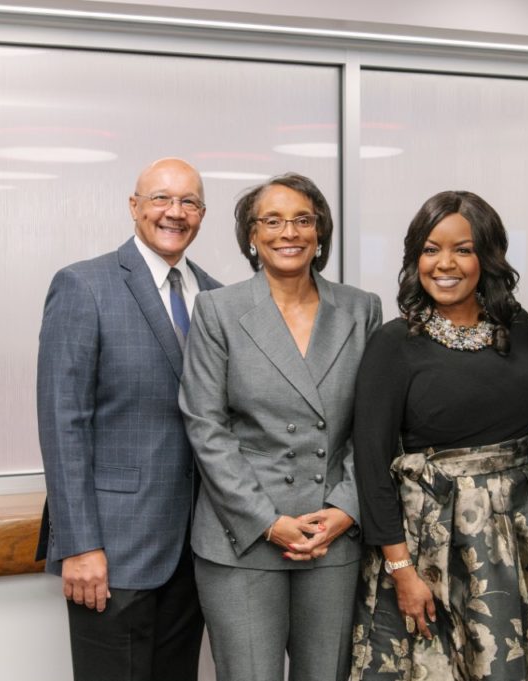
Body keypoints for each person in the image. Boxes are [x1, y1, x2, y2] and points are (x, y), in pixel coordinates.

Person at [350, 190, 528, 681]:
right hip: (432, 545)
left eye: (462, 249)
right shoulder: (393, 344)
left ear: (488, 256)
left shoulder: (520, 327)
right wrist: (402, 571)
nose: (445, 263)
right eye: (431, 249)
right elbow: (372, 465)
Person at [179, 172, 382, 681]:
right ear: (251, 234)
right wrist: (266, 520)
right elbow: (206, 425)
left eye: (302, 220)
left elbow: (377, 426)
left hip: (331, 535)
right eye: (271, 221)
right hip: (242, 538)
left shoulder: (362, 309)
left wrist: (344, 511)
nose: (287, 232)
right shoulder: (218, 310)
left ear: (320, 234)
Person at [36, 157, 221, 680]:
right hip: (112, 550)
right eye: (161, 198)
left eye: (189, 201)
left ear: (202, 215)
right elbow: (62, 423)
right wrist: (80, 545)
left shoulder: (216, 296)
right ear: (134, 206)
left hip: (195, 549)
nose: (174, 212)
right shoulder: (84, 286)